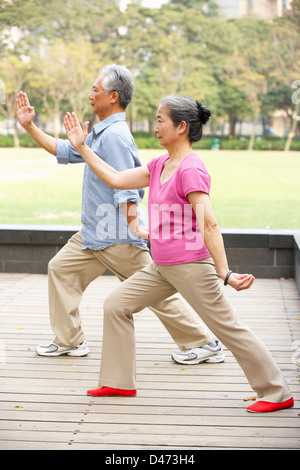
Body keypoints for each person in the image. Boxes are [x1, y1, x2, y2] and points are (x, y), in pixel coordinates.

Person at [63, 94, 294, 412]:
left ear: (181, 126)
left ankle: (276, 391)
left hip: (192, 267)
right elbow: (116, 179)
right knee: (116, 304)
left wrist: (224, 272)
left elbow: (209, 224)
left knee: (228, 327)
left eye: (160, 120)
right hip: (161, 266)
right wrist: (82, 147)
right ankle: (118, 381)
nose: (155, 126)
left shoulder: (191, 169)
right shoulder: (159, 165)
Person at [16, 64, 225, 365]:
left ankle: (205, 343)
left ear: (113, 97)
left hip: (118, 236)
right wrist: (29, 126)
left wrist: (133, 228)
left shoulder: (114, 136)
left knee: (157, 292)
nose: (90, 95)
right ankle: (69, 340)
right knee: (60, 269)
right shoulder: (100, 133)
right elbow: (64, 149)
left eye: (95, 90)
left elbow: (127, 186)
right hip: (93, 234)